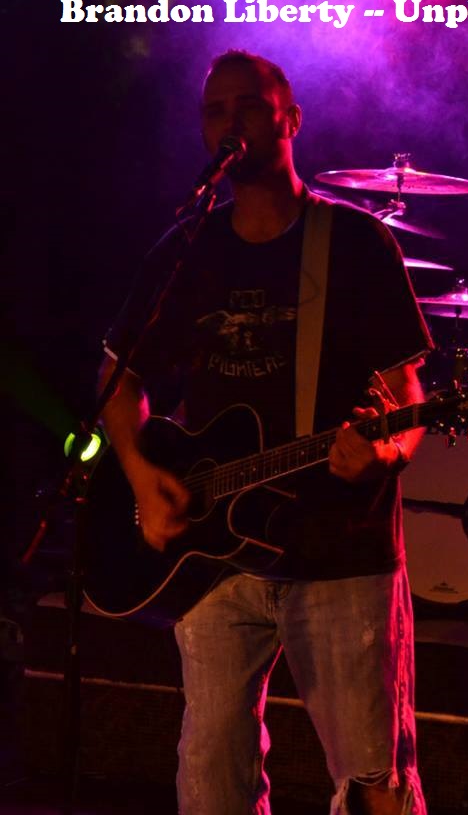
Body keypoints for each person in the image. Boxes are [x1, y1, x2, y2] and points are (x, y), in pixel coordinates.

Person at [98, 50, 433, 815]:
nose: (230, 122)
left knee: (372, 780)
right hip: (215, 557)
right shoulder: (189, 248)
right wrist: (144, 476)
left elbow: (408, 391)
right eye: (214, 111)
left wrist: (384, 452)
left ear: (290, 118)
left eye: (248, 104)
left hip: (340, 549)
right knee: (210, 778)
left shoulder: (353, 243)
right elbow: (118, 379)